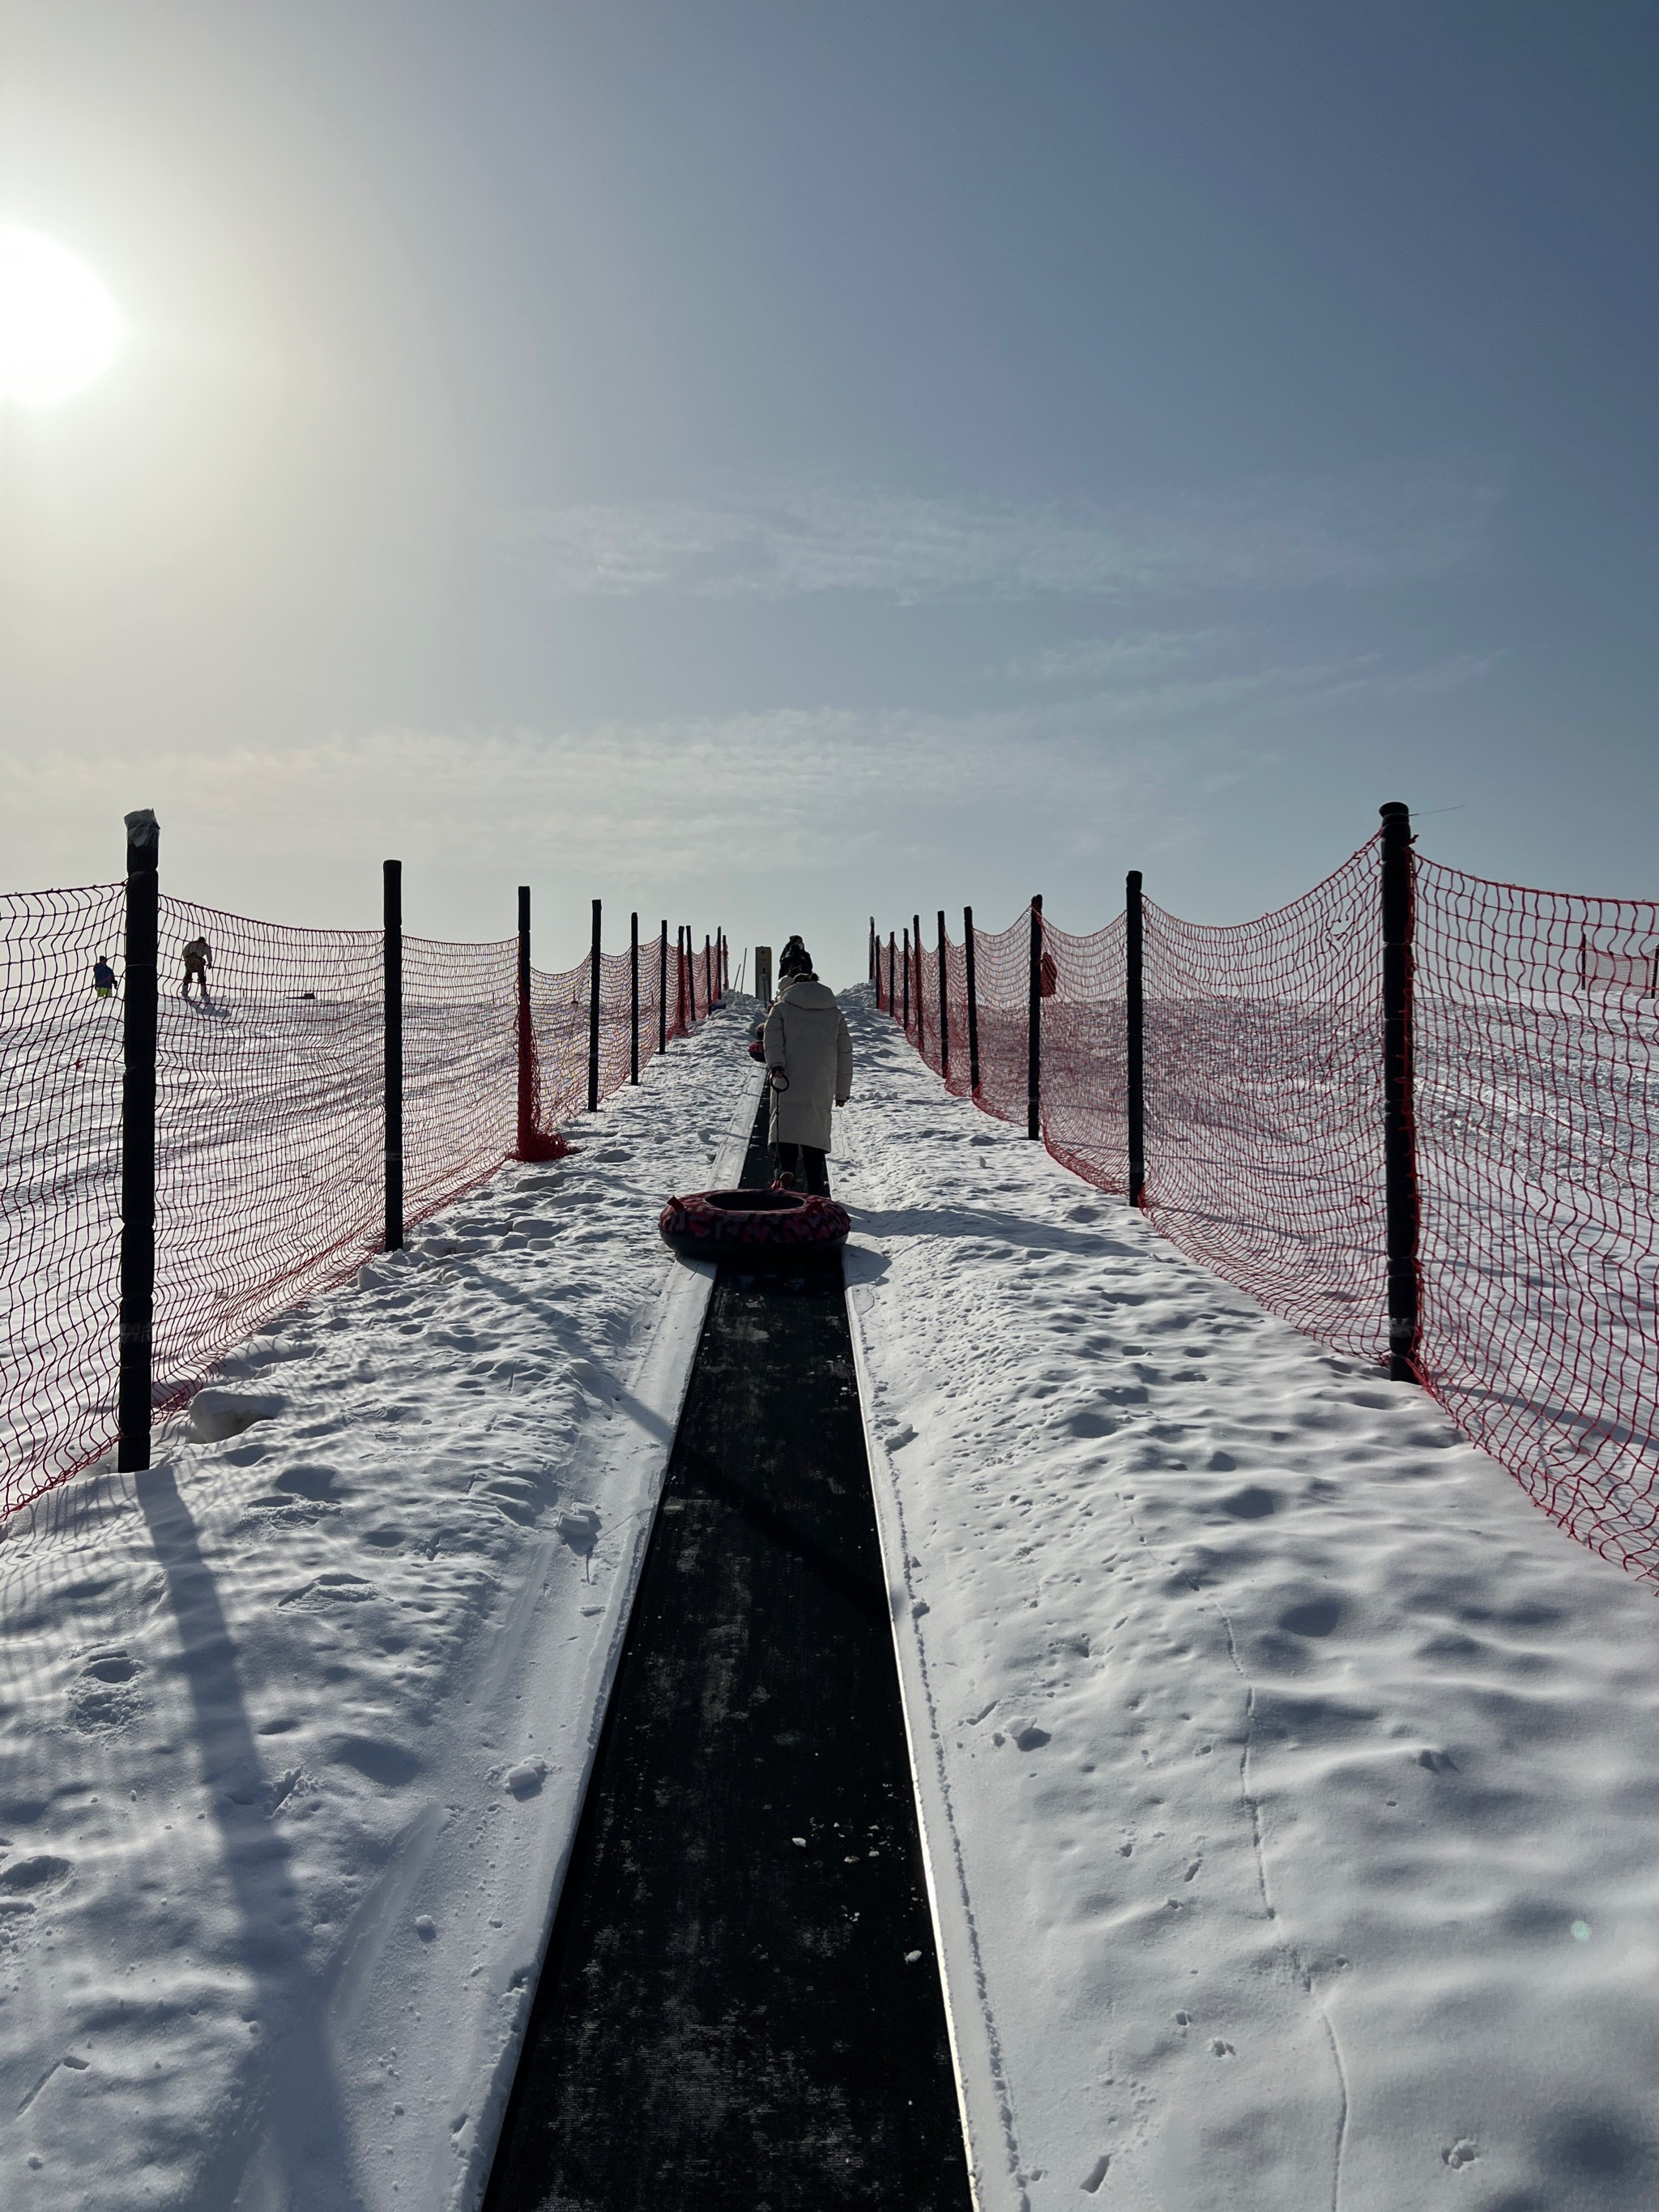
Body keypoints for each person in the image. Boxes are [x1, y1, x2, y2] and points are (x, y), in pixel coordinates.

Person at [762, 962, 852, 1196]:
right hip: (820, 1084)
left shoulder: (782, 1008)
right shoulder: (834, 1013)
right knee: (814, 1134)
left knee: (787, 1127)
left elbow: (771, 1040)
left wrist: (776, 1066)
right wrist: (841, 1092)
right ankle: (815, 1189)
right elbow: (844, 1054)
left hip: (788, 1079)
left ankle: (786, 1172)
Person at [181, 936, 212, 1001]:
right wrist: (210, 962)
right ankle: (203, 992)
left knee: (188, 974)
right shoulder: (205, 946)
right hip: (198, 961)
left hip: (190, 960)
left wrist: (186, 959)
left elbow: (184, 952)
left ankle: (184, 990)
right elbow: (208, 953)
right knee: (201, 976)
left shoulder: (191, 943)